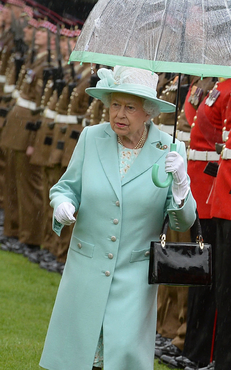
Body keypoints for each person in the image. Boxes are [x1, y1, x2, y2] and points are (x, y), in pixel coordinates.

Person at [39, 65, 196, 370]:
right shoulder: (91, 137)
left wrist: (180, 186)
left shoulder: (170, 149)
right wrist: (62, 204)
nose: (119, 115)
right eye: (114, 104)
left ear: (149, 112)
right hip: (86, 268)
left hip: (133, 279)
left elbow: (182, 222)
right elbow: (65, 188)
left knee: (121, 355)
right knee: (78, 355)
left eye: (130, 107)